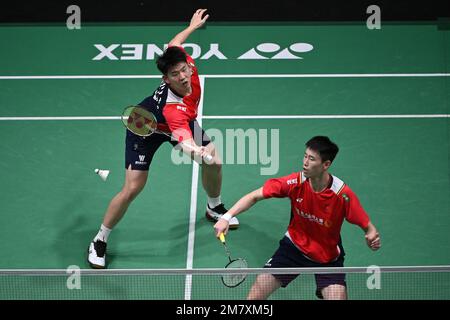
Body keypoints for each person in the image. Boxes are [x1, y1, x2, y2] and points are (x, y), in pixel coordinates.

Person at [88, 9, 239, 269]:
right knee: (133, 188)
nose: (182, 77)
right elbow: (182, 139)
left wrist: (192, 26)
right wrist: (197, 151)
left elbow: (175, 43)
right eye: (175, 75)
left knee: (215, 162)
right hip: (145, 126)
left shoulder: (185, 63)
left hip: (178, 123)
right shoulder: (173, 106)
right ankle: (100, 239)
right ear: (165, 79)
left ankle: (214, 207)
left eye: (183, 70)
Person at [214, 136, 381, 300]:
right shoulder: (295, 182)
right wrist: (226, 217)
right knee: (256, 294)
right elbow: (255, 196)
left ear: (326, 164)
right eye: (305, 156)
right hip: (293, 247)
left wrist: (371, 235)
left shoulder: (342, 195)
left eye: (311, 159)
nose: (305, 162)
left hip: (327, 258)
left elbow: (368, 226)